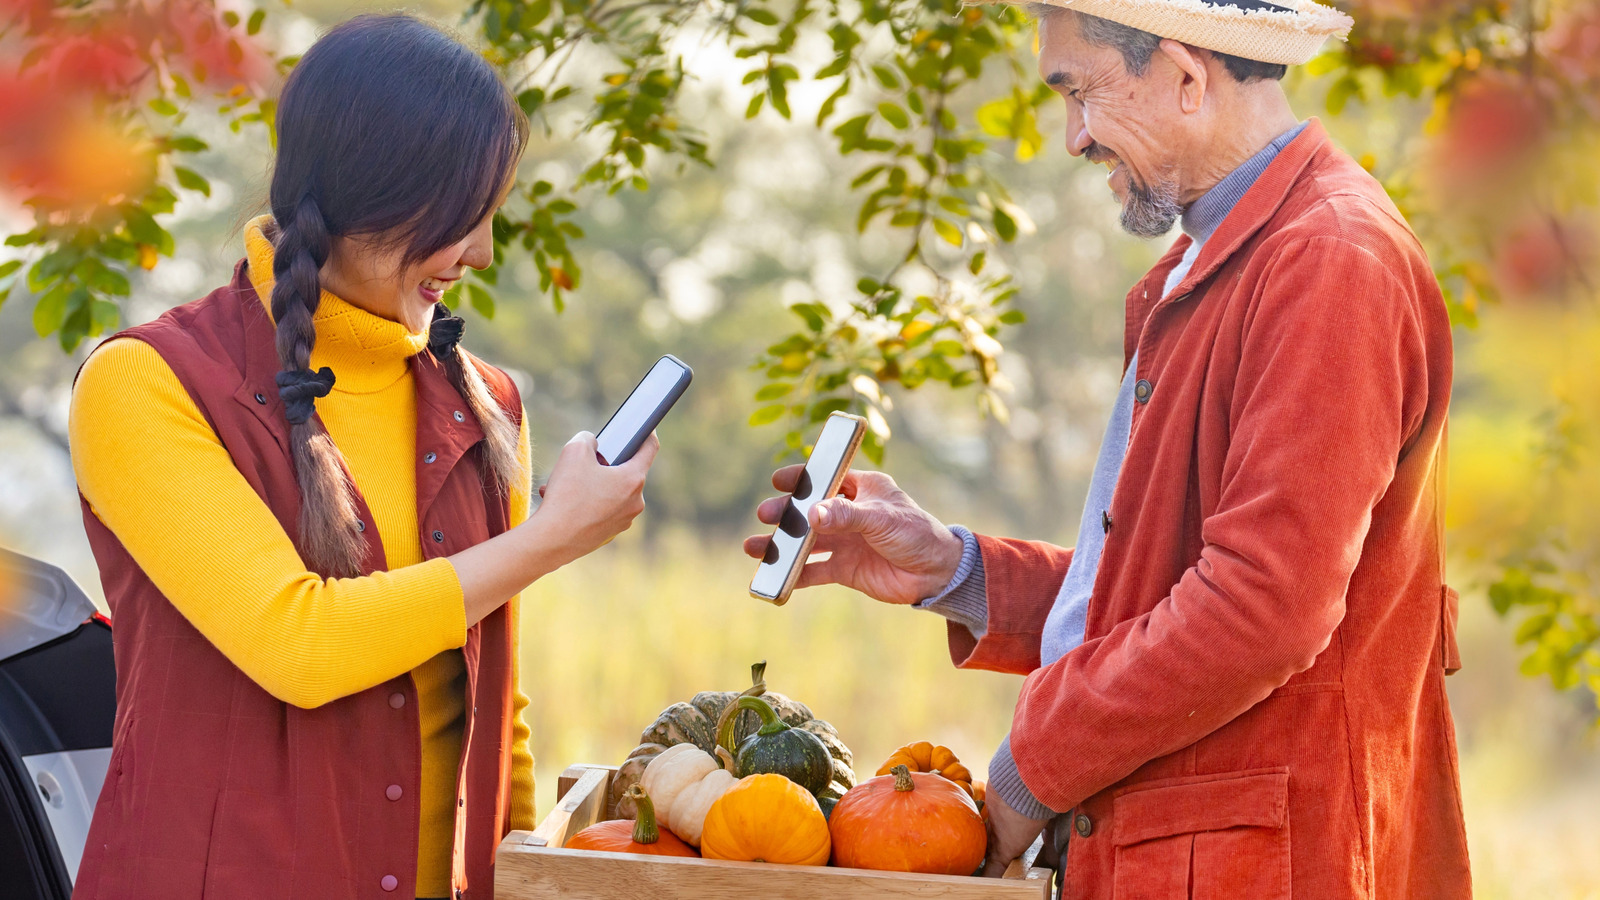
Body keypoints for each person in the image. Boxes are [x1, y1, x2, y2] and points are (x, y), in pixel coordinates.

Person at [745, 0, 1471, 896]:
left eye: (1079, 93)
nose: (1073, 139)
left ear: (1186, 76)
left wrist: (1031, 766)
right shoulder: (1213, 263)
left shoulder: (1329, 261)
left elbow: (1261, 607)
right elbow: (1161, 590)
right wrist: (956, 569)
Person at [67, 15, 655, 900]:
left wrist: (523, 874)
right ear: (369, 192)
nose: (482, 252)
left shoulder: (484, 404)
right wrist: (557, 536)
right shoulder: (146, 382)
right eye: (463, 215)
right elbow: (297, 643)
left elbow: (498, 700)